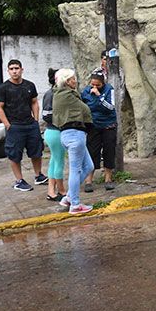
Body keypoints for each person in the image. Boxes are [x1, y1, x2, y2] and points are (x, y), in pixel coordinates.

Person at [0, 59, 47, 191]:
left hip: (30, 125)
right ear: (8, 71)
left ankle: (38, 176)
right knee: (14, 154)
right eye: (11, 69)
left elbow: (34, 102)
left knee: (36, 151)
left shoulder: (29, 85)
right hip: (14, 126)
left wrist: (35, 120)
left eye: (16, 68)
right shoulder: (3, 88)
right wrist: (7, 124)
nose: (14, 71)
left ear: (21, 69)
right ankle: (19, 181)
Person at [53, 69, 94, 215]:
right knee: (75, 171)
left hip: (68, 135)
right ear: (67, 81)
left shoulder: (60, 94)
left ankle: (69, 197)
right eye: (72, 79)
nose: (75, 81)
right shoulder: (67, 96)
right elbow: (85, 109)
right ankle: (75, 204)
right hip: (74, 134)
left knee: (89, 166)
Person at [81, 69, 117, 191]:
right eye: (93, 84)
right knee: (92, 152)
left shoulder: (109, 89)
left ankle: (108, 178)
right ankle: (89, 180)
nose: (95, 87)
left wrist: (99, 96)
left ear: (103, 83)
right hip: (93, 126)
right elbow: (82, 106)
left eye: (98, 85)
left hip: (108, 125)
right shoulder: (85, 91)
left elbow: (111, 107)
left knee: (109, 151)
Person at [42, 67, 66, 201]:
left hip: (55, 131)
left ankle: (51, 191)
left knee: (54, 161)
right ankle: (62, 190)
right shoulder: (51, 94)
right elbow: (46, 115)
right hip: (55, 132)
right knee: (59, 162)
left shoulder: (60, 93)